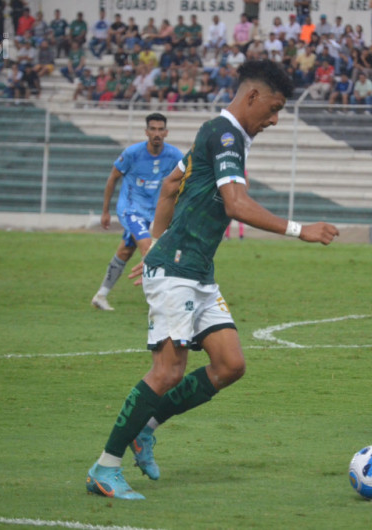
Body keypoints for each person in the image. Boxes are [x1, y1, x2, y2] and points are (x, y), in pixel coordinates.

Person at [84, 59, 339, 500]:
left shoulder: (219, 134)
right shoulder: (224, 135)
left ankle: (145, 428)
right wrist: (302, 230)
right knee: (167, 371)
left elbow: (169, 185)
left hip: (194, 269)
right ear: (253, 96)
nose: (275, 120)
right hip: (179, 272)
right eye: (274, 108)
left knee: (230, 365)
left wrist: (156, 245)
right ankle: (104, 468)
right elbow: (236, 204)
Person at [91, 113, 183, 311]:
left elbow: (186, 182)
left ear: (166, 132)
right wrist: (105, 211)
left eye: (160, 129)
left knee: (125, 251)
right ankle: (159, 301)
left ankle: (100, 295)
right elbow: (112, 178)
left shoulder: (175, 156)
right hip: (131, 209)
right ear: (146, 131)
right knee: (148, 247)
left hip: (155, 213)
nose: (156, 133)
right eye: (153, 129)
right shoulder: (132, 153)